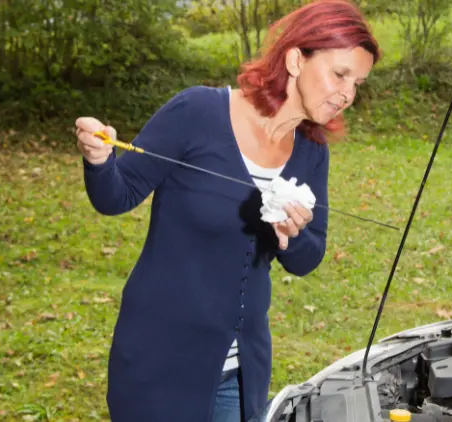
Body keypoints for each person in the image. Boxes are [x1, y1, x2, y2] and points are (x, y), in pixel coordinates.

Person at [73, 0, 380, 420]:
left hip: (239, 375)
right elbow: (117, 196)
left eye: (358, 82)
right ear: (295, 60)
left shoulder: (311, 150)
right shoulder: (196, 112)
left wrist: (291, 238)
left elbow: (310, 256)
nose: (348, 93)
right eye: (340, 74)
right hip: (160, 361)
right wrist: (98, 160)